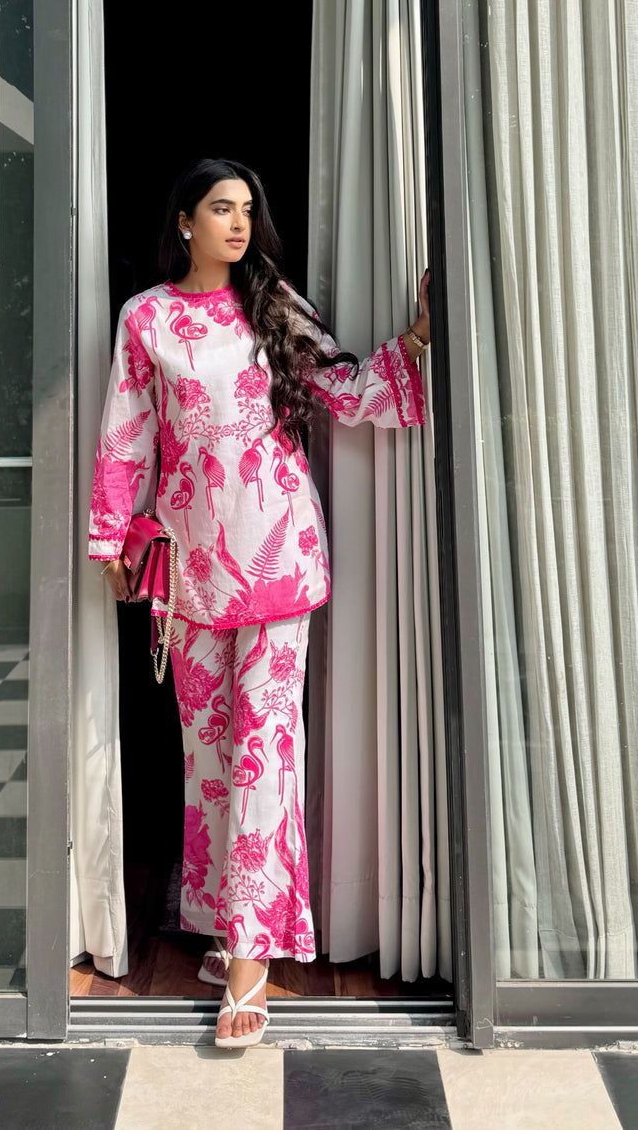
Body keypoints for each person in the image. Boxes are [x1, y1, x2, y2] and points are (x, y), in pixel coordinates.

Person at [89, 156, 431, 1047]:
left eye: (247, 209)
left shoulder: (274, 306)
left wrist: (416, 342)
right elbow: (127, 432)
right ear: (184, 222)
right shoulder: (146, 319)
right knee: (207, 758)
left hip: (281, 565)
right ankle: (218, 920)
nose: (239, 223)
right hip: (190, 573)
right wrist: (112, 539)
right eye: (221, 208)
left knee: (262, 756)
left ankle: (250, 958)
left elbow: (344, 390)